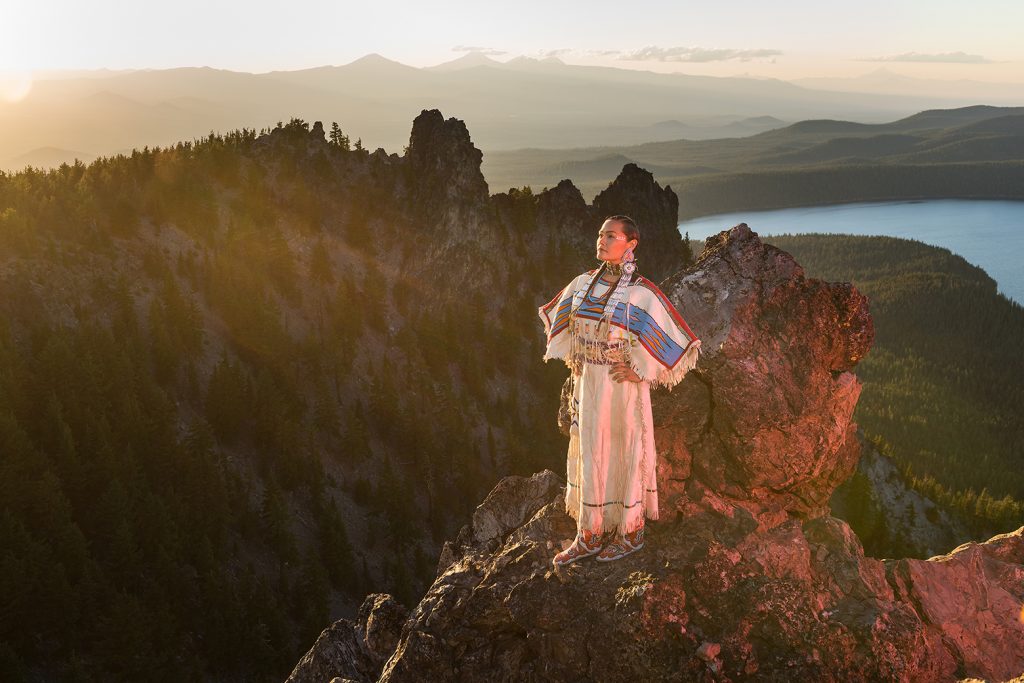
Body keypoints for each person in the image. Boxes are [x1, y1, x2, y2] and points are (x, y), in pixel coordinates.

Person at [538, 215, 701, 565]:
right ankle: (590, 534)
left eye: (611, 235)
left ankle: (630, 532)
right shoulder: (581, 284)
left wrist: (640, 369)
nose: (602, 240)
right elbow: (562, 322)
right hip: (589, 385)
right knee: (590, 452)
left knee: (624, 450)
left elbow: (677, 342)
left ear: (631, 244)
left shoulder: (641, 293)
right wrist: (574, 355)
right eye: (600, 234)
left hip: (621, 389)